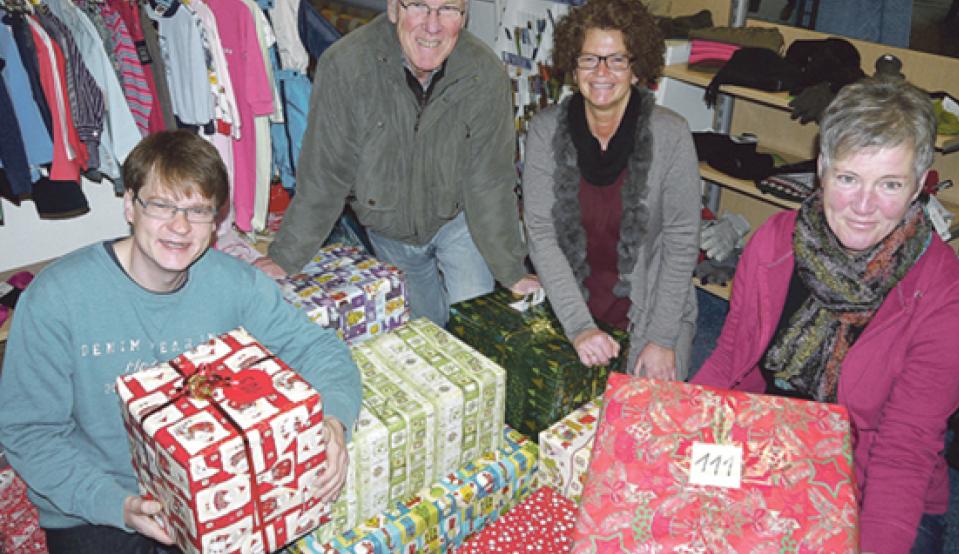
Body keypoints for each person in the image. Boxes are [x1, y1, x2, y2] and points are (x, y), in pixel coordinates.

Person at [0, 130, 363, 553]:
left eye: (197, 210)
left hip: (215, 488)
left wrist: (333, 422)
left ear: (215, 223)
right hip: (100, 504)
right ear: (129, 205)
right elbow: (29, 432)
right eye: (162, 205)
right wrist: (118, 505)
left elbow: (319, 349)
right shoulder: (57, 297)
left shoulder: (236, 283)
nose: (179, 226)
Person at [691, 78, 959, 553]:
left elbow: (903, 454)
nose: (863, 207)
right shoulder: (775, 242)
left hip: (869, 483)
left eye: (889, 183)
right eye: (848, 178)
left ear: (919, 183)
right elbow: (730, 358)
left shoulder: (946, 297)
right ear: (822, 168)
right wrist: (680, 433)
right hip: (771, 439)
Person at [254, 0, 539, 327]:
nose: (432, 25)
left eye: (448, 10)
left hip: (461, 220)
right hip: (390, 232)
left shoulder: (483, 72)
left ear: (465, 16)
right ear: (393, 9)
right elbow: (326, 175)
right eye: (418, 5)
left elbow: (491, 180)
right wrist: (285, 256)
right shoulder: (346, 66)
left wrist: (512, 271)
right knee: (427, 330)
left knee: (474, 326)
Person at [522, 0, 701, 380]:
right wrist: (578, 326)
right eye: (590, 59)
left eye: (616, 59)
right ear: (574, 67)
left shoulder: (671, 133)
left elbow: (682, 239)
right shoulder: (544, 130)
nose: (602, 72)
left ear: (636, 69)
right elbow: (540, 233)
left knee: (648, 418)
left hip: (653, 309)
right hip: (571, 303)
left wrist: (662, 338)